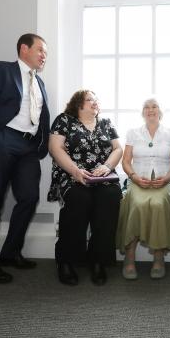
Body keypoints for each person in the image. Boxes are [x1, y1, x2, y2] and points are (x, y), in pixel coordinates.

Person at [0, 34, 50, 284]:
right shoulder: (0, 69)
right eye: (40, 50)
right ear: (23, 48)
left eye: (46, 53)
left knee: (29, 197)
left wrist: (40, 145)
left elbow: (41, 117)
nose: (43, 55)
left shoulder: (40, 83)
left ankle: (10, 252)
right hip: (3, 140)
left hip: (28, 148)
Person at [48, 90, 123, 286]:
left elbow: (118, 149)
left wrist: (106, 167)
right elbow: (55, 148)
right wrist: (75, 171)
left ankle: (98, 260)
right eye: (90, 99)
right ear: (78, 104)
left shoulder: (106, 123)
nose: (95, 102)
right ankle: (66, 260)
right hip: (72, 175)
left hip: (102, 177)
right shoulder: (64, 120)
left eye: (96, 99)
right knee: (79, 198)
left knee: (111, 196)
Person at [117, 98, 170, 280]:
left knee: (159, 205)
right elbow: (126, 161)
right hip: (138, 180)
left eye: (154, 106)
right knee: (137, 204)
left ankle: (159, 259)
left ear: (160, 111)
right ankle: (129, 258)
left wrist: (166, 178)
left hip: (163, 180)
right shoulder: (133, 133)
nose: (150, 109)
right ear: (142, 112)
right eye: (146, 107)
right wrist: (135, 177)